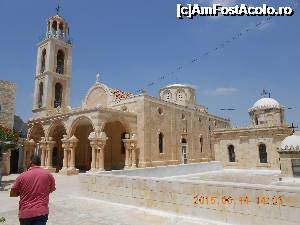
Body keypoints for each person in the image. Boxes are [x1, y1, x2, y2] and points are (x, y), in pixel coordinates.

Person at [10, 154, 56, 225]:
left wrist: (21, 192)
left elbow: (12, 193)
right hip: (41, 212)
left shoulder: (22, 176)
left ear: (30, 162)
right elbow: (52, 189)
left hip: (26, 212)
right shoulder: (48, 174)